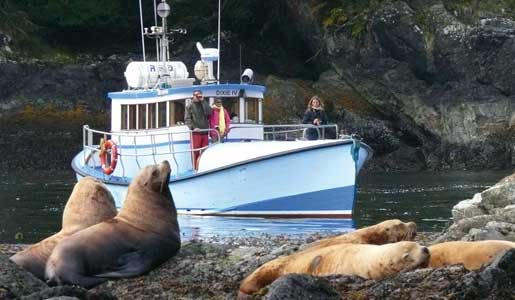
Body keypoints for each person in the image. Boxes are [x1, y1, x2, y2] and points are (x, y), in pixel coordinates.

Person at [185, 90, 212, 170]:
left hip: (205, 132)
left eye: (199, 95)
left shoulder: (204, 104)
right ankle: (195, 169)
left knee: (205, 152)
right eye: (196, 95)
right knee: (195, 152)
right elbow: (187, 119)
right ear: (193, 96)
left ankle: (204, 168)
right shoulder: (189, 106)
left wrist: (203, 101)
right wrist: (193, 128)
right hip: (196, 133)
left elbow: (209, 112)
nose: (197, 97)